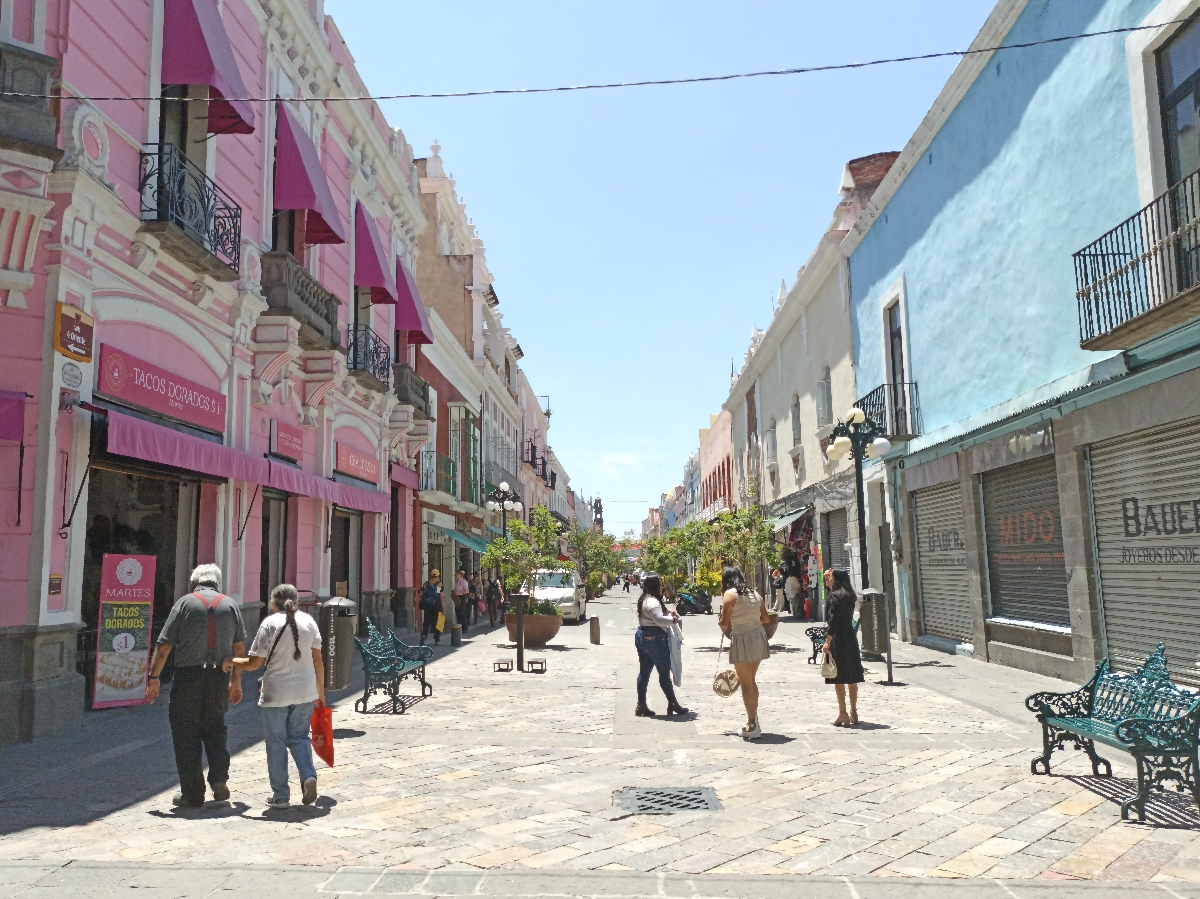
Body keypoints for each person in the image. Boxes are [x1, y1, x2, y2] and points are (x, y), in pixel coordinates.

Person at [146, 564, 245, 808]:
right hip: (219, 677)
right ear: (217, 583)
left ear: (194, 583)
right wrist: (236, 682)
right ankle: (219, 778)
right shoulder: (231, 605)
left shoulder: (184, 604)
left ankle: (192, 793)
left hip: (188, 678)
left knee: (185, 733)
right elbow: (240, 649)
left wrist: (153, 678)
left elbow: (164, 645)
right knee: (215, 728)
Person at [223, 584, 325, 809]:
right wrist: (321, 692)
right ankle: (308, 776)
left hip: (276, 692)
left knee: (276, 743)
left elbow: (254, 663)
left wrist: (230, 661)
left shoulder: (269, 624)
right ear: (297, 602)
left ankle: (280, 796)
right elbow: (318, 661)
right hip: (305, 691)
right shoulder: (309, 622)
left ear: (272, 603)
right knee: (299, 737)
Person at [718, 566, 771, 740]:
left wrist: (726, 621)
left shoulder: (729, 595)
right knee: (751, 681)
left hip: (742, 638)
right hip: (758, 637)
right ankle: (754, 719)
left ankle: (752, 724)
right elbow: (766, 618)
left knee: (747, 683)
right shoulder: (755, 594)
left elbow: (724, 622)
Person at [634, 574, 688, 717]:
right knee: (664, 672)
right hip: (655, 638)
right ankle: (673, 703)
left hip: (642, 635)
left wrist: (667, 612)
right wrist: (674, 619)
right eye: (660, 583)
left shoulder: (645, 599)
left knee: (644, 672)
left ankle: (641, 705)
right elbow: (659, 620)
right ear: (655, 586)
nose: (662, 586)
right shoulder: (652, 601)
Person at [823, 568, 865, 726]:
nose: (829, 579)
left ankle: (843, 713)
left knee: (838, 677)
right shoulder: (850, 596)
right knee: (852, 676)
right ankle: (854, 712)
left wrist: (827, 642)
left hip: (838, 639)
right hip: (850, 637)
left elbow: (832, 622)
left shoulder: (835, 597)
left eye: (831, 577)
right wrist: (828, 582)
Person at [419, 570, 443, 645]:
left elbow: (420, 594)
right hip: (436, 606)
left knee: (426, 622)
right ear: (438, 576)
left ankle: (423, 636)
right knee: (437, 622)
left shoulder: (426, 584)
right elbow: (441, 597)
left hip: (427, 606)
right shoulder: (439, 585)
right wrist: (444, 609)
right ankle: (437, 639)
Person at [453, 569, 470, 635]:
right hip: (457, 598)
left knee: (461, 613)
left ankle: (465, 627)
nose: (455, 576)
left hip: (462, 598)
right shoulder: (457, 582)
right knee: (457, 613)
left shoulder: (463, 581)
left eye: (456, 575)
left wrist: (459, 592)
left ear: (460, 575)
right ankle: (460, 626)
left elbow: (467, 591)